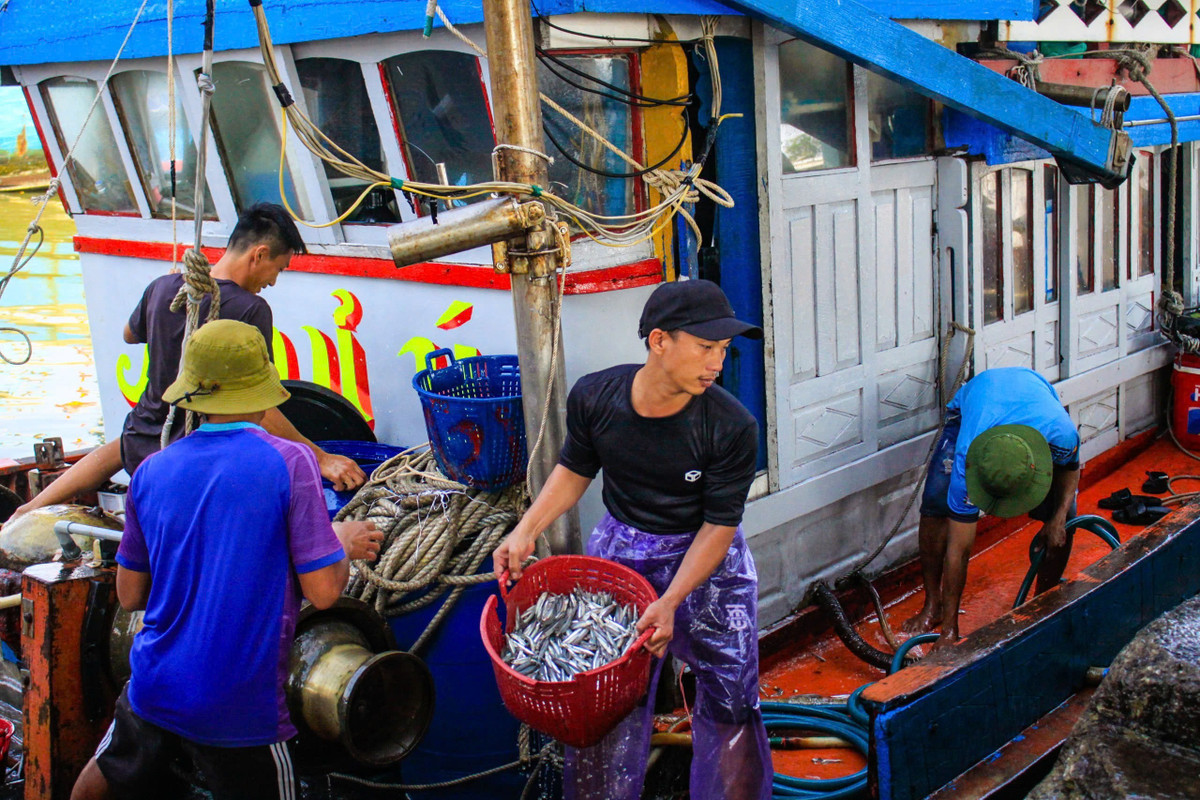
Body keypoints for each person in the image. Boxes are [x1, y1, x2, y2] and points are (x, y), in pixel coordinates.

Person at [70, 319, 382, 800]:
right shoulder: (291, 463)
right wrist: (339, 542)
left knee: (100, 782)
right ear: (262, 389)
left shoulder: (151, 471)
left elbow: (130, 595)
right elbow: (323, 593)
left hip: (153, 685)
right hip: (240, 703)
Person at [493, 279, 772, 800]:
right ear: (659, 341)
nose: (717, 363)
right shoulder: (596, 396)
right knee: (609, 698)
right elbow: (575, 468)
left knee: (732, 697)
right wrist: (525, 530)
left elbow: (719, 526)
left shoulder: (732, 426)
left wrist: (670, 601)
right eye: (706, 347)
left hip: (707, 564)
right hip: (623, 554)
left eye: (724, 350)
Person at [5, 203, 365, 525]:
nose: (272, 281)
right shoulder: (250, 309)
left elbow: (130, 335)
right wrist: (319, 457)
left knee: (118, 445)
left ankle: (29, 509)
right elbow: (259, 406)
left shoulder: (164, 287)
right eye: (279, 269)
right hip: (190, 456)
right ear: (259, 254)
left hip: (141, 443)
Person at [901, 366, 1081, 648]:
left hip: (1030, 390)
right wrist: (950, 632)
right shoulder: (966, 456)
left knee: (1066, 514)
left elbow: (1071, 469)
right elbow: (959, 550)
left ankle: (1043, 603)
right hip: (975, 406)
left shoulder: (1061, 434)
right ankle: (934, 605)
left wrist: (1056, 520)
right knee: (936, 504)